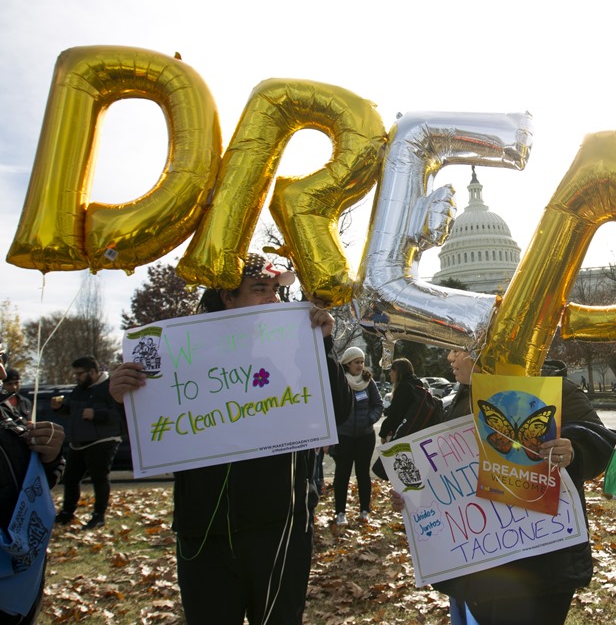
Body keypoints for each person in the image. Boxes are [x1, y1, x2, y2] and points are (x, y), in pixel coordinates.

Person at [108, 253, 345, 625]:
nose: (273, 299)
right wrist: (126, 398)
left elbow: (336, 412)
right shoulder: (179, 355)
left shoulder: (295, 346)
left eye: (277, 291)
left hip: (278, 525)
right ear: (227, 297)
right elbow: (156, 435)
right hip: (203, 531)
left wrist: (323, 347)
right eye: (260, 289)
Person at [433, 350, 616, 625]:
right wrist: (412, 496)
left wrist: (574, 450)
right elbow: (444, 471)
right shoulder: (462, 397)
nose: (449, 356)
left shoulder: (554, 388)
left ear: (487, 349)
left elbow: (602, 444)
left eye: (459, 348)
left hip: (543, 563)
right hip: (483, 563)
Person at [0, 343, 66, 623]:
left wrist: (50, 456)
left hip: (17, 582)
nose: (2, 373)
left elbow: (31, 481)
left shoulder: (6, 410)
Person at [52, 355, 121, 530]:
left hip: (103, 440)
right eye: (75, 374)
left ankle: (98, 516)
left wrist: (96, 414)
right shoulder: (79, 388)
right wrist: (60, 407)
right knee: (70, 478)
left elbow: (120, 415)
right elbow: (72, 410)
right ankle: (67, 513)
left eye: (79, 374)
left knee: (99, 478)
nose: (76, 377)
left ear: (93, 371)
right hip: (79, 441)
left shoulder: (110, 387)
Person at [330, 346, 383, 526]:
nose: (360, 366)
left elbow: (378, 405)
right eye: (356, 362)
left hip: (364, 437)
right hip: (343, 437)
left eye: (362, 362)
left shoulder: (369, 382)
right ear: (347, 364)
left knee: (363, 474)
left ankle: (364, 511)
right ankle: (340, 513)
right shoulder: (339, 382)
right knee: (342, 475)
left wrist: (370, 419)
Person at [378, 358, 429, 443]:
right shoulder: (416, 385)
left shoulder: (403, 388)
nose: (390, 374)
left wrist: (383, 433)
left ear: (398, 372)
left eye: (392, 371)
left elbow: (395, 415)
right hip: (414, 432)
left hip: (402, 434)